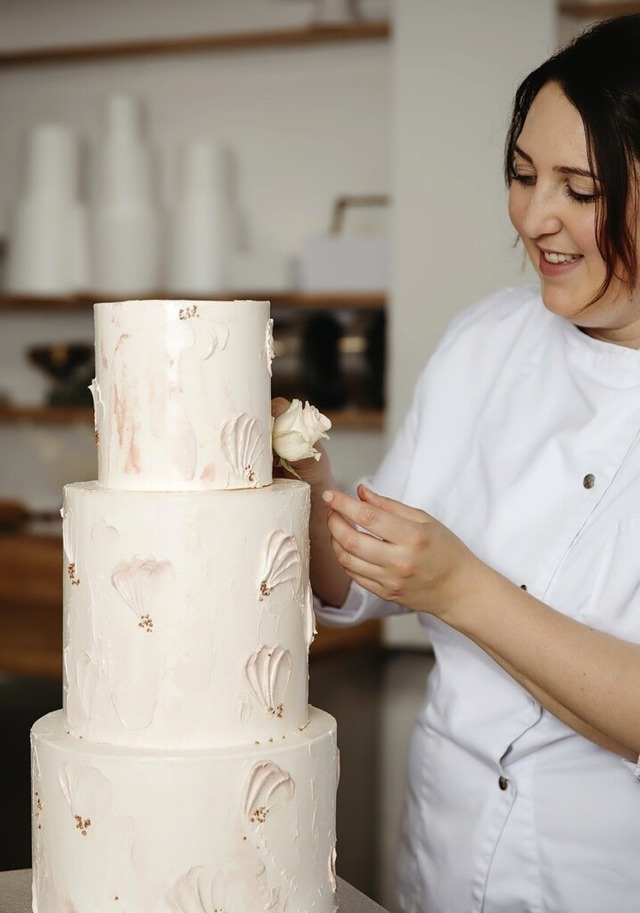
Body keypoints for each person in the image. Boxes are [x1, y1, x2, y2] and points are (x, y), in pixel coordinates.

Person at [274, 13, 640, 913]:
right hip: (443, 855)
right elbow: (354, 581)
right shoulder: (488, 340)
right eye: (522, 175)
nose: (534, 217)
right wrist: (303, 473)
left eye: (580, 189)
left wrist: (463, 587)